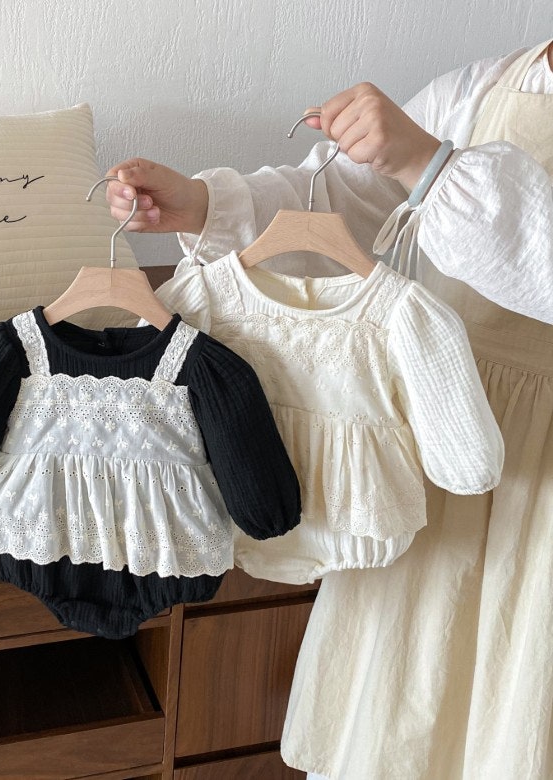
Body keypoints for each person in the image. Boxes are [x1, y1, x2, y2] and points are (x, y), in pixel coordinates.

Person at [105, 39, 553, 779]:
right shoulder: (489, 82)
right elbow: (351, 202)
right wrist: (208, 205)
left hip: (535, 479)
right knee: (410, 704)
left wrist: (429, 162)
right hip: (443, 427)